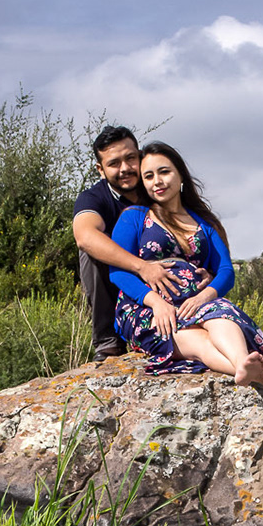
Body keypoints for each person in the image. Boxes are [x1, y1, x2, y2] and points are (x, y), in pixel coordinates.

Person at [106, 141, 263, 397]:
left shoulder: (204, 223)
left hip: (195, 305)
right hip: (147, 309)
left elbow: (225, 271)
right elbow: (118, 271)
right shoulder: (134, 216)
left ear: (180, 176)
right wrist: (156, 303)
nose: (157, 180)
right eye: (149, 176)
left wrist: (204, 295)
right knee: (199, 340)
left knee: (219, 311)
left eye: (164, 171)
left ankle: (248, 368)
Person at [72, 126, 173, 359]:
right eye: (114, 163)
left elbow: (198, 225)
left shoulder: (159, 188)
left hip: (168, 279)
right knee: (92, 251)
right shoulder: (94, 198)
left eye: (130, 158)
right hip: (124, 279)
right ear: (100, 169)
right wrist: (141, 267)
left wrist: (207, 269)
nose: (125, 168)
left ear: (140, 156)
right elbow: (84, 236)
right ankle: (109, 342)